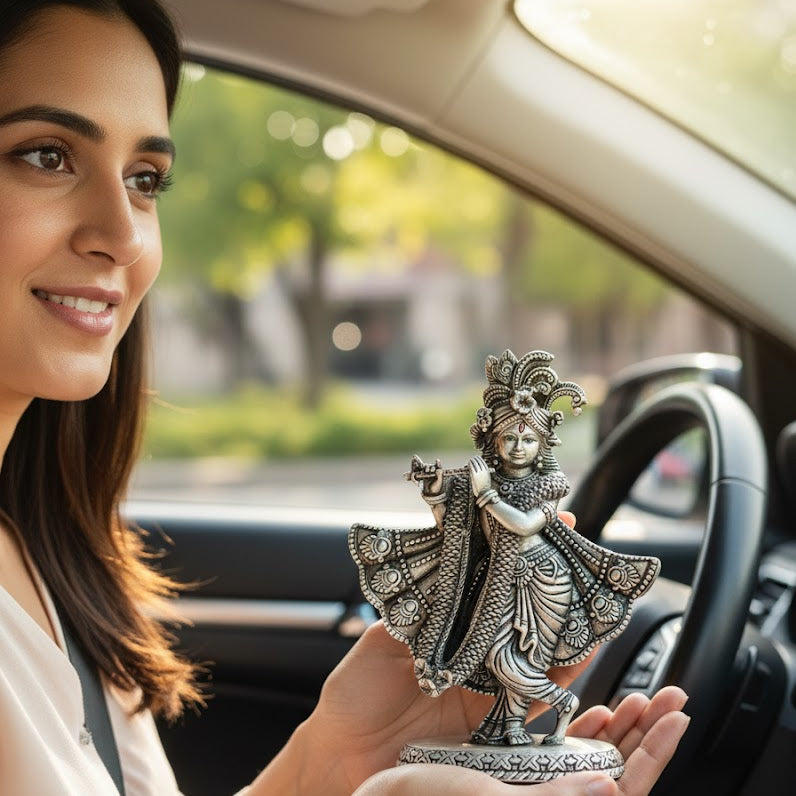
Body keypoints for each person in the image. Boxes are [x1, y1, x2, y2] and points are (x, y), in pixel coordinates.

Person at [0, 2, 689, 795]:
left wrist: (331, 764)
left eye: (145, 179)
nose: (123, 234)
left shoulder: (46, 549)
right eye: (46, 156)